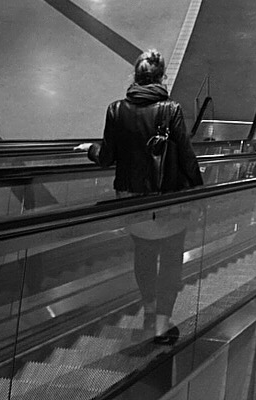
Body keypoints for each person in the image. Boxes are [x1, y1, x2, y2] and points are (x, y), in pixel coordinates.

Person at [81, 48, 203, 345]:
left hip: (133, 204)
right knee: (172, 259)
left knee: (144, 257)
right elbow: (187, 158)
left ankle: (148, 311)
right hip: (169, 203)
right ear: (162, 77)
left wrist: (90, 150)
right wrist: (200, 193)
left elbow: (107, 156)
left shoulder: (116, 110)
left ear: (135, 77)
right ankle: (162, 324)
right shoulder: (171, 110)